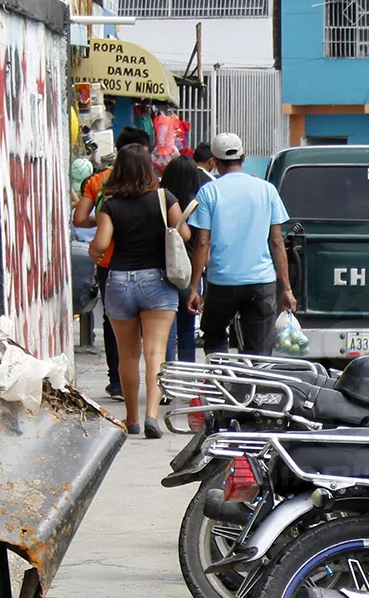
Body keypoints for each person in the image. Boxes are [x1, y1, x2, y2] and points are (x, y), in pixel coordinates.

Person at [89, 144, 193, 439]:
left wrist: (93, 252)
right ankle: (152, 416)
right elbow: (184, 234)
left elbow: (101, 243)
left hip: (120, 281)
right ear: (149, 167)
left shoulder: (110, 204)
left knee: (128, 355)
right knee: (156, 353)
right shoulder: (164, 198)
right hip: (157, 282)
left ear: (118, 169)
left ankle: (132, 419)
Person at [187, 133, 296, 356]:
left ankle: (222, 383)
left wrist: (194, 287)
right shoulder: (267, 190)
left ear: (215, 162)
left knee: (216, 337)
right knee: (259, 347)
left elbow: (202, 242)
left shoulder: (209, 191)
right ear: (243, 157)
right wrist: (286, 289)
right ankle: (254, 389)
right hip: (261, 282)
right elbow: (277, 242)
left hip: (221, 282)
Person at [73, 127, 152, 401]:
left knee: (113, 322)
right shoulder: (152, 183)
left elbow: (80, 219)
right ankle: (154, 389)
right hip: (148, 262)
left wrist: (104, 220)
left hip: (110, 263)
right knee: (149, 326)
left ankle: (117, 382)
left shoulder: (98, 181)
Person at [160, 156, 204, 361]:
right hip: (190, 272)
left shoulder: (161, 201)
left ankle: (168, 376)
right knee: (187, 328)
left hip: (165, 270)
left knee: (166, 328)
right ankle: (189, 377)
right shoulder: (199, 205)